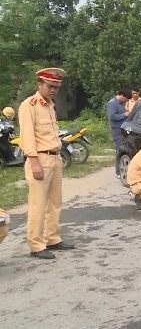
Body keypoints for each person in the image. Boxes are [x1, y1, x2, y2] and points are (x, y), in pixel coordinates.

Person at [18, 67, 75, 259]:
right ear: (40, 84)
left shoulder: (50, 105)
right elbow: (27, 137)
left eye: (56, 87)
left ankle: (52, 238)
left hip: (55, 157)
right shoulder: (30, 105)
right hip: (40, 159)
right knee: (38, 204)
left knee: (54, 202)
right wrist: (34, 162)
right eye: (50, 86)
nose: (53, 90)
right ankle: (36, 245)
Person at [107, 89, 131, 179]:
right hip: (117, 131)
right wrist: (125, 114)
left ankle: (123, 168)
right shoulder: (112, 103)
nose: (126, 101)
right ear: (121, 95)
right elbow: (112, 117)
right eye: (126, 99)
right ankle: (118, 172)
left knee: (123, 149)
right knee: (119, 150)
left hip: (122, 130)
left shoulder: (120, 103)